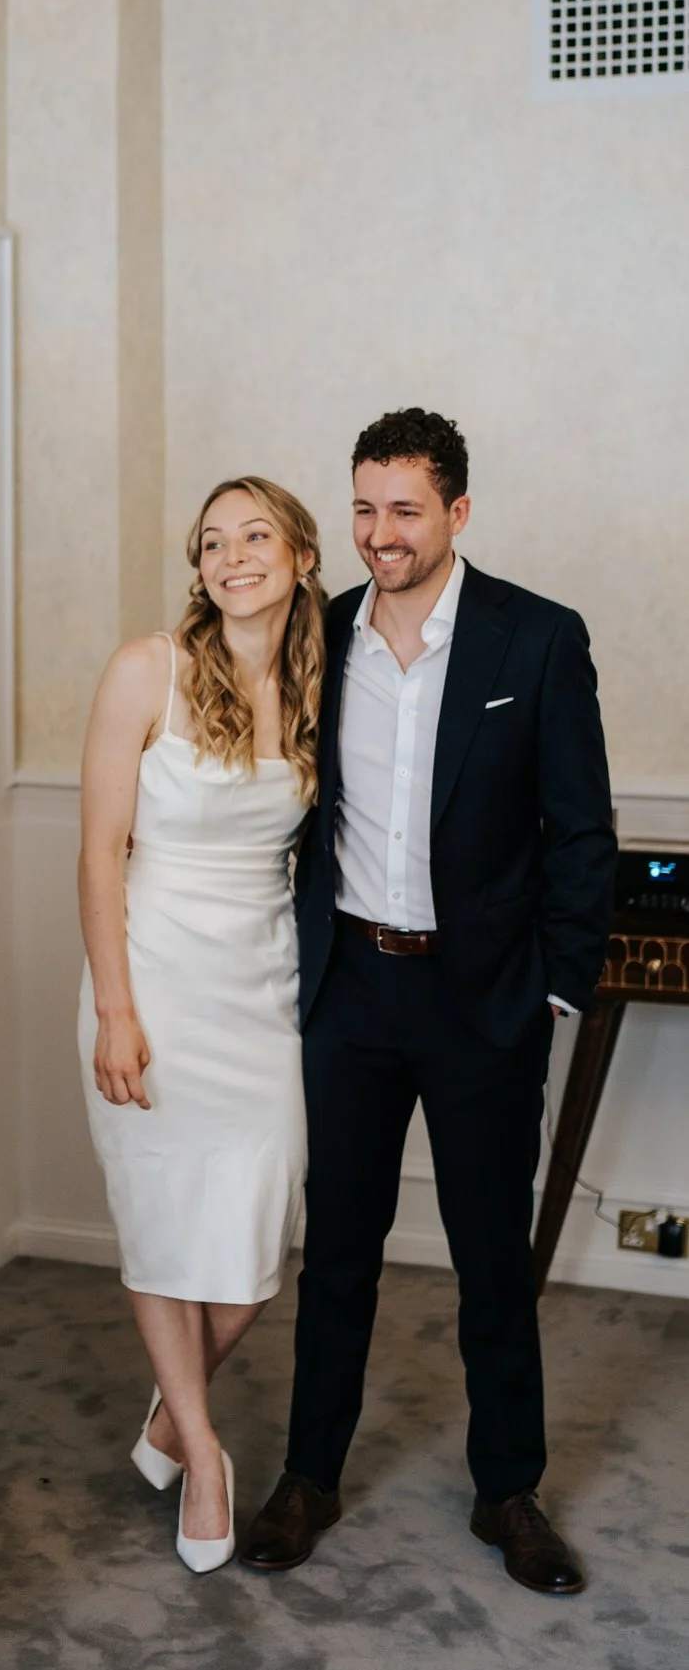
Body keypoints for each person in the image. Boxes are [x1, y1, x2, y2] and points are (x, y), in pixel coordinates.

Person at [238, 408, 617, 1595]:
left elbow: (582, 833)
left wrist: (554, 991)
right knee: (337, 1248)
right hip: (351, 987)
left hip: (485, 1000)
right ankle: (309, 1471)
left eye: (404, 508)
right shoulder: (319, 632)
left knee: (491, 1261)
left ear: (456, 511)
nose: (377, 532)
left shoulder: (536, 640)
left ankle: (508, 1489)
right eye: (362, 506)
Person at [77, 477, 323, 1573]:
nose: (231, 557)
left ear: (301, 555)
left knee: (255, 1242)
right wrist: (117, 1010)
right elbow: (95, 853)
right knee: (165, 1222)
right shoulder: (149, 670)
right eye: (212, 542)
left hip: (260, 991)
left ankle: (170, 1416)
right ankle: (207, 1454)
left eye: (254, 535)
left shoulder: (327, 684)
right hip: (154, 984)